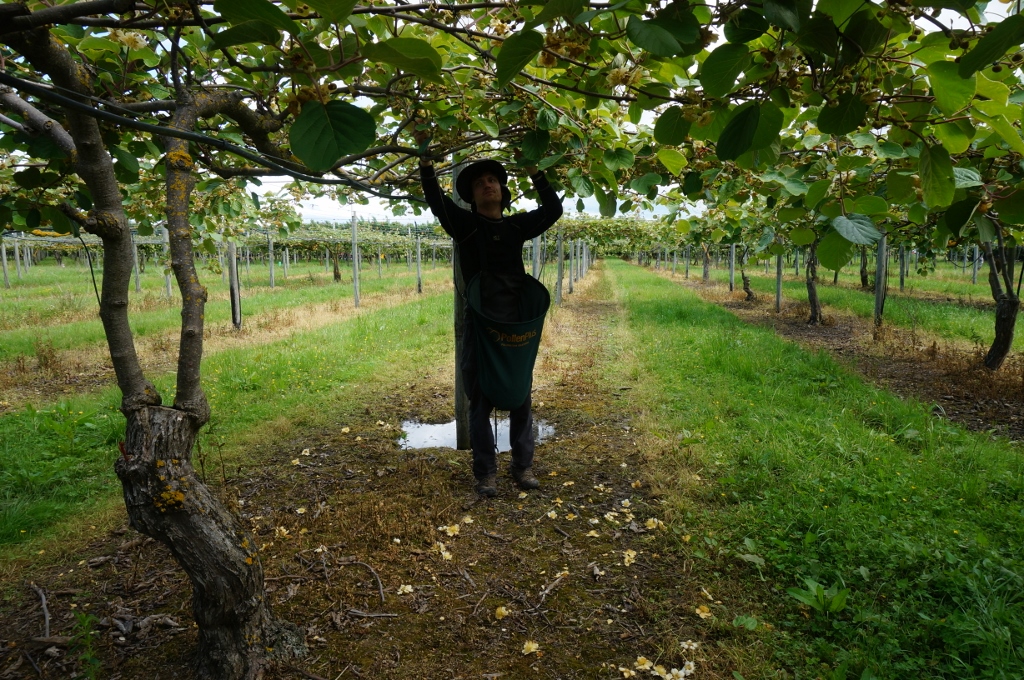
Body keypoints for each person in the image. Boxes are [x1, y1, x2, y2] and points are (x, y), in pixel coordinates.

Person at [414, 125, 563, 497]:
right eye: (479, 182)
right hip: (480, 326)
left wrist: (534, 170)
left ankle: (522, 467)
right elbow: (436, 200)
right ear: (471, 196)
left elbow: (554, 209)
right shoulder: (464, 226)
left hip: (514, 325)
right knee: (479, 400)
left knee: (519, 394)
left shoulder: (515, 228)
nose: (487, 184)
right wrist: (426, 161)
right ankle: (486, 473)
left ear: (503, 190)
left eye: (492, 179)